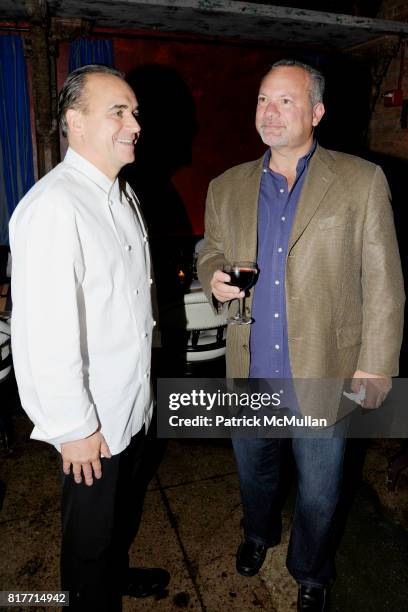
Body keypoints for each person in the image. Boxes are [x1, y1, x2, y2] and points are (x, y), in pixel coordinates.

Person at [197, 59, 405, 611]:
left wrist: (376, 364)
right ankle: (258, 533)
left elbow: (384, 282)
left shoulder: (361, 181)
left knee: (319, 493)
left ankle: (311, 570)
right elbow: (209, 248)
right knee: (255, 475)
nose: (270, 111)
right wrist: (211, 273)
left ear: (316, 112)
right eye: (263, 99)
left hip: (325, 371)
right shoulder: (226, 185)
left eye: (285, 101)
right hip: (251, 370)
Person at [9, 64, 169, 611]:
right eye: (118, 112)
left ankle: (114, 574)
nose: (134, 124)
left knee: (120, 514)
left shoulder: (119, 194)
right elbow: (45, 335)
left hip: (131, 401)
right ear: (74, 123)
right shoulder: (55, 207)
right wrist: (72, 427)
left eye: (135, 113)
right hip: (92, 421)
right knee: (89, 538)